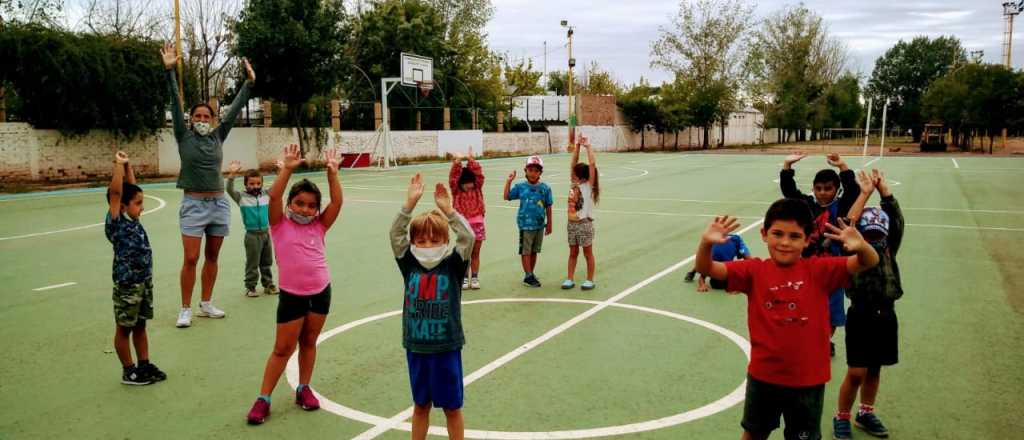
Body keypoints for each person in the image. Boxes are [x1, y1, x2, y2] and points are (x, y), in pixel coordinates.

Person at [694, 198, 879, 440]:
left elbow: (869, 261)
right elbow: (707, 268)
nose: (784, 242)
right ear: (764, 234)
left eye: (794, 236)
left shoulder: (820, 270)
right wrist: (705, 243)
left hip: (808, 380)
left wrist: (862, 246)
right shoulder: (753, 270)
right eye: (777, 234)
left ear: (807, 239)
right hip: (764, 376)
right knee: (753, 433)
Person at [246, 145, 344, 425]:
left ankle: (304, 388)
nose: (306, 209)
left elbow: (336, 203)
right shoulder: (278, 224)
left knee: (309, 342)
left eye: (312, 205)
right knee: (282, 349)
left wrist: (332, 174)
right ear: (290, 204)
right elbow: (273, 195)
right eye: (300, 203)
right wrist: (287, 169)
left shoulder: (319, 226)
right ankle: (263, 398)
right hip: (292, 296)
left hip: (321, 293)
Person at [161, 42, 256, 327]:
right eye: (198, 117)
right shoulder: (183, 135)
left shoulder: (218, 136)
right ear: (191, 121)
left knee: (212, 256)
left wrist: (249, 83)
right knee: (191, 258)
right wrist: (169, 71)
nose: (202, 120)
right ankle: (185, 308)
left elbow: (236, 107)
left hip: (218, 204)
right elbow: (176, 105)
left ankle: (206, 303)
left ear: (213, 120)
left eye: (207, 116)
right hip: (193, 204)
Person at [390, 173, 475, 440]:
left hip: (446, 348)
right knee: (420, 406)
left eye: (434, 240)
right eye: (422, 241)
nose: (427, 246)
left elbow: (468, 236)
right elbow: (395, 234)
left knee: (452, 408)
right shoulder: (409, 264)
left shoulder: (453, 264)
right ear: (414, 243)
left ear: (445, 242)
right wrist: (408, 206)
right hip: (416, 347)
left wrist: (449, 211)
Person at [832, 169, 905, 440]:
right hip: (861, 312)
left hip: (887, 312)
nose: (874, 237)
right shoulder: (854, 250)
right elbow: (848, 225)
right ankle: (842, 416)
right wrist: (864, 194)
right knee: (856, 371)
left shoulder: (889, 248)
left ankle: (865, 412)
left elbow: (897, 220)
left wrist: (885, 191)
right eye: (868, 233)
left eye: (878, 232)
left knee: (875, 368)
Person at [780, 152, 861, 356]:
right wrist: (787, 166)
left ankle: (824, 340)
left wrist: (842, 165)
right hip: (808, 269)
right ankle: (809, 338)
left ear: (836, 190)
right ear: (813, 189)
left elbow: (853, 190)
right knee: (802, 307)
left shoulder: (841, 207)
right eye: (818, 189)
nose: (823, 193)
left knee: (831, 314)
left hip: (834, 270)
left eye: (828, 189)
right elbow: (789, 191)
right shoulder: (808, 206)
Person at [105, 151, 166, 385]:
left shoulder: (132, 219)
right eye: (138, 203)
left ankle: (144, 365)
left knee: (140, 325)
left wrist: (129, 164)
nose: (142, 207)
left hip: (143, 282)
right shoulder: (116, 221)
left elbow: (131, 187)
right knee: (124, 329)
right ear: (121, 206)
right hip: (127, 284)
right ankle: (128, 370)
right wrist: (118, 165)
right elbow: (118, 192)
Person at [226, 161, 277, 297]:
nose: (255, 186)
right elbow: (229, 190)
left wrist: (282, 171)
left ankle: (268, 284)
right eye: (252, 184)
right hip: (252, 236)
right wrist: (232, 174)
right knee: (252, 263)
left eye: (258, 184)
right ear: (246, 184)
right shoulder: (241, 197)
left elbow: (278, 186)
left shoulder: (266, 194)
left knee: (267, 262)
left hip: (266, 234)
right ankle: (251, 287)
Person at [503, 155, 553, 287]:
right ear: (525, 171)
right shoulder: (520, 187)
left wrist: (549, 224)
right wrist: (508, 181)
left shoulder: (545, 188)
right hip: (525, 224)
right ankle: (528, 275)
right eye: (530, 170)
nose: (533, 173)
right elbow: (507, 196)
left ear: (540, 173)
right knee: (526, 250)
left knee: (535, 250)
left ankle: (531, 272)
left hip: (539, 225)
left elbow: (548, 206)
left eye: (536, 171)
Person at [562, 136, 600, 290]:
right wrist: (577, 146)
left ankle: (590, 279)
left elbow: (592, 164)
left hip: (584, 224)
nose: (572, 173)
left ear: (582, 176)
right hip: (572, 224)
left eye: (575, 173)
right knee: (572, 253)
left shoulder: (588, 186)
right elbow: (573, 162)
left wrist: (588, 146)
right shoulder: (574, 184)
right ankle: (569, 278)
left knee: (587, 253)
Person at [449, 147, 486, 290]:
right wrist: (457, 162)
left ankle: (475, 277)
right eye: (465, 183)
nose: (469, 185)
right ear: (460, 183)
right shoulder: (456, 191)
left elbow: (479, 175)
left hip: (478, 225)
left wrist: (471, 160)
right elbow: (453, 177)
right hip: (463, 226)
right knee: (465, 254)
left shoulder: (477, 188)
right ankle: (464, 278)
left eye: (470, 182)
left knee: (476, 253)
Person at [684, 233, 751, 292]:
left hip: (730, 242)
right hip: (731, 243)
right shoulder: (729, 269)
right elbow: (702, 278)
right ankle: (692, 272)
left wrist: (702, 285)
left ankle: (692, 272)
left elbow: (701, 278)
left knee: (702, 263)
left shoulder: (711, 267)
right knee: (746, 259)